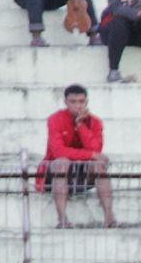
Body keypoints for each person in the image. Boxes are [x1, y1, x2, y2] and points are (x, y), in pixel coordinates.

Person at [36, 84, 117, 229]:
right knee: (62, 162)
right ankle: (62, 220)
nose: (77, 106)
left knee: (98, 165)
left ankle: (110, 218)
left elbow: (96, 149)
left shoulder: (95, 122)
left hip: (82, 173)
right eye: (73, 102)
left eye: (81, 102)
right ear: (66, 102)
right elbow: (59, 152)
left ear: (86, 102)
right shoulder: (55, 119)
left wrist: (80, 125)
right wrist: (90, 155)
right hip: (56, 172)